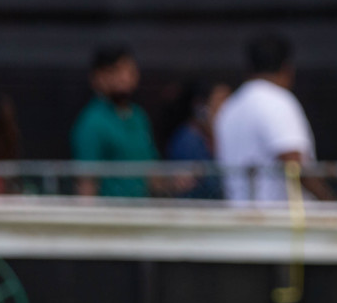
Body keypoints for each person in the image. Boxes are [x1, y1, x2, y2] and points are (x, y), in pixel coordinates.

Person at [215, 32, 333, 203]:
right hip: (278, 223)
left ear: (249, 69)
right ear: (287, 69)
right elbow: (293, 163)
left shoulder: (230, 108)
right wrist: (333, 205)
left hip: (240, 219)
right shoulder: (277, 100)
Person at [71, 44, 160, 198]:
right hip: (111, 216)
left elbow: (152, 174)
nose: (124, 78)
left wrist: (175, 181)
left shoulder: (138, 116)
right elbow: (86, 183)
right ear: (98, 77)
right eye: (115, 71)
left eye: (129, 71)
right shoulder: (92, 122)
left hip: (142, 214)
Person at [160, 80, 231, 200]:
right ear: (202, 107)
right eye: (221, 101)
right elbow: (208, 185)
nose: (228, 107)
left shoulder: (217, 136)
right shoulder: (188, 141)